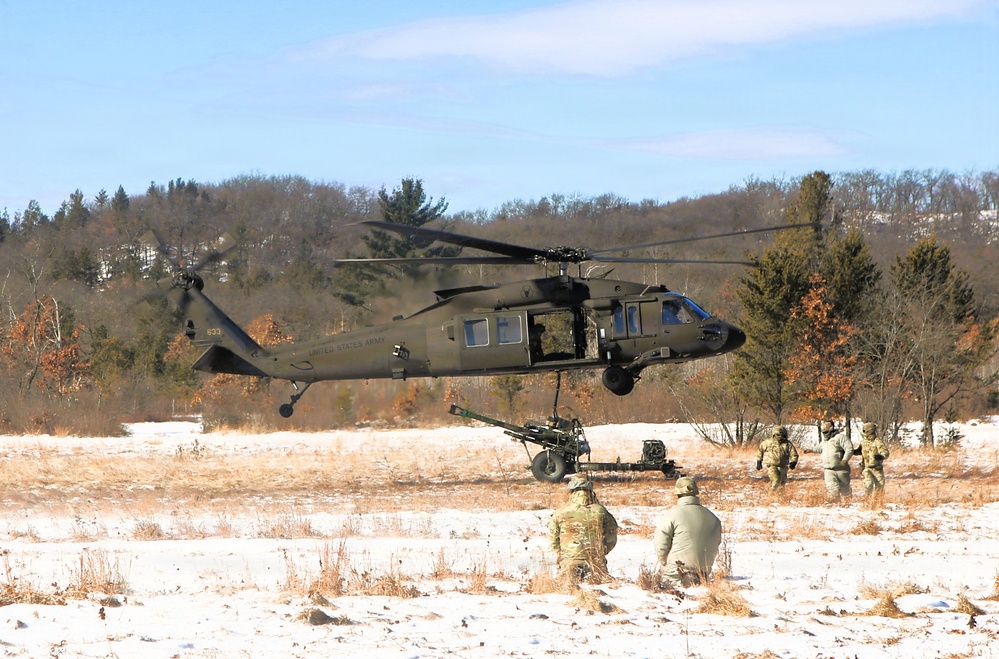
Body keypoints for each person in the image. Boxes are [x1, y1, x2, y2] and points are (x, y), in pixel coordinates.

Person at [653, 477, 722, 588]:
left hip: (677, 573)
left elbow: (661, 544)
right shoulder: (713, 517)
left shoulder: (672, 514)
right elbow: (717, 543)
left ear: (677, 494)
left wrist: (665, 562)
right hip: (703, 574)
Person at [547, 476, 618, 581]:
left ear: (571, 491)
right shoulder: (600, 511)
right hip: (596, 563)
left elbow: (553, 539)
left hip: (569, 563)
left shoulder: (560, 512)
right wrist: (601, 552)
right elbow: (612, 534)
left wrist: (562, 554)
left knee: (567, 592)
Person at [820, 420, 855, 502]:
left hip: (841, 469)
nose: (824, 432)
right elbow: (819, 448)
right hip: (828, 470)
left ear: (831, 428)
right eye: (823, 430)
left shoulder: (840, 438)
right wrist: (810, 450)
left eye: (826, 429)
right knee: (832, 488)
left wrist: (845, 459)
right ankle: (834, 504)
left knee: (845, 489)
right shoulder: (825, 441)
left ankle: (848, 503)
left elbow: (849, 448)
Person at [858, 422, 890, 498]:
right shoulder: (863, 442)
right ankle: (867, 502)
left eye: (865, 430)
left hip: (877, 468)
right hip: (867, 468)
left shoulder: (877, 441)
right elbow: (860, 451)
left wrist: (881, 456)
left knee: (879, 487)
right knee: (868, 486)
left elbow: (885, 452)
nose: (864, 432)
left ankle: (878, 503)